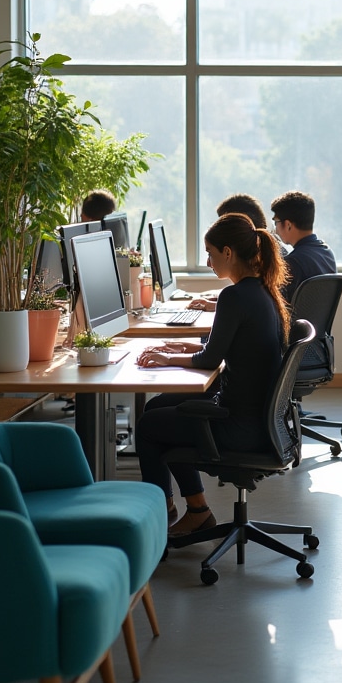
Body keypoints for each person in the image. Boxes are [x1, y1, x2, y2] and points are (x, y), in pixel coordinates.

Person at [134, 212, 290, 535]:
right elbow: (217, 352)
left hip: (237, 427)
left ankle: (163, 520)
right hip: (261, 421)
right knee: (157, 407)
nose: (208, 262)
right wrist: (179, 352)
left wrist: (166, 360)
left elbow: (209, 361)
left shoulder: (233, 297)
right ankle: (196, 510)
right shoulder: (262, 291)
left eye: (211, 253)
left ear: (228, 253)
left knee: (150, 426)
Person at [270, 190, 337, 304]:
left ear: (288, 225)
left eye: (276, 222)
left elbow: (278, 307)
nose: (275, 229)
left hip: (294, 322)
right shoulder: (327, 253)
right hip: (316, 322)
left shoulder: (293, 262)